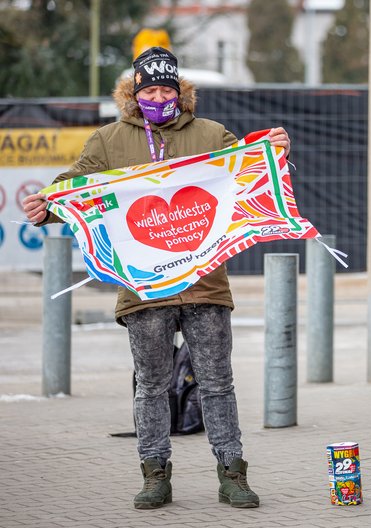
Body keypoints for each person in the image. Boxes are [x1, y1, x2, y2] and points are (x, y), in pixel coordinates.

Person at [21, 46, 291, 510]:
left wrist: (275, 151)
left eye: (167, 88)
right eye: (150, 89)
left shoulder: (211, 134)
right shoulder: (108, 141)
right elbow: (77, 185)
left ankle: (232, 474)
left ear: (180, 91)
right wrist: (46, 206)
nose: (159, 95)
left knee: (218, 383)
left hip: (205, 285)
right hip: (143, 289)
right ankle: (154, 474)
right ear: (135, 92)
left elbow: (248, 170)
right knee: (150, 384)